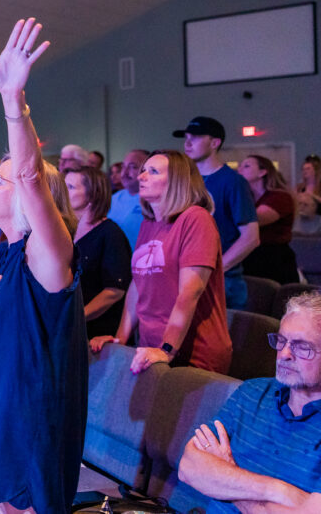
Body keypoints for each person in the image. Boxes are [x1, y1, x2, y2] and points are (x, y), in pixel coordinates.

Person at [0, 18, 87, 514]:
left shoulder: (49, 252)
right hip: (2, 398)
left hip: (33, 410)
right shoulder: (3, 253)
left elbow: (30, 176)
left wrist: (12, 104)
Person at [91, 150, 233, 375]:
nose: (141, 177)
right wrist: (120, 340)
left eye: (153, 171)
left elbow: (190, 292)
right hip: (151, 347)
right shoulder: (149, 224)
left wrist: (167, 349)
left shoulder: (195, 219)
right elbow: (138, 286)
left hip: (191, 351)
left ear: (177, 181)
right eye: (143, 170)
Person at [177, 292, 321, 513]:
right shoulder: (251, 392)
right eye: (281, 341)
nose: (283, 354)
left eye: (302, 346)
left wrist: (228, 476)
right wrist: (278, 490)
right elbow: (188, 467)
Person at [174, 116, 259, 310]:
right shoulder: (185, 181)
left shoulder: (232, 181)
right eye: (186, 137)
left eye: (195, 137)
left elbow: (251, 237)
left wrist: (218, 269)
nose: (187, 143)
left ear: (214, 142)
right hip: (187, 275)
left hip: (223, 282)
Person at [66, 166, 131, 338]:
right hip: (68, 328)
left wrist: (78, 317)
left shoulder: (110, 233)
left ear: (92, 194)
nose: (63, 193)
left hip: (96, 332)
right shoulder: (66, 230)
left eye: (70, 187)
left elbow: (114, 290)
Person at [238, 155, 299, 285]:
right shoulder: (248, 198)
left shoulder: (280, 197)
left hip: (274, 259)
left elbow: (254, 219)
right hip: (251, 257)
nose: (240, 169)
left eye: (246, 166)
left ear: (262, 172)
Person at [107, 149, 150, 251]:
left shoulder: (153, 200)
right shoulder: (113, 198)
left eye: (133, 167)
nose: (124, 173)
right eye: (123, 167)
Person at [295, 155, 321, 235]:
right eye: (303, 169)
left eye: (308, 169)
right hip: (302, 224)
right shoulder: (299, 187)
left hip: (318, 225)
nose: (305, 171)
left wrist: (312, 197)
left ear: (315, 171)